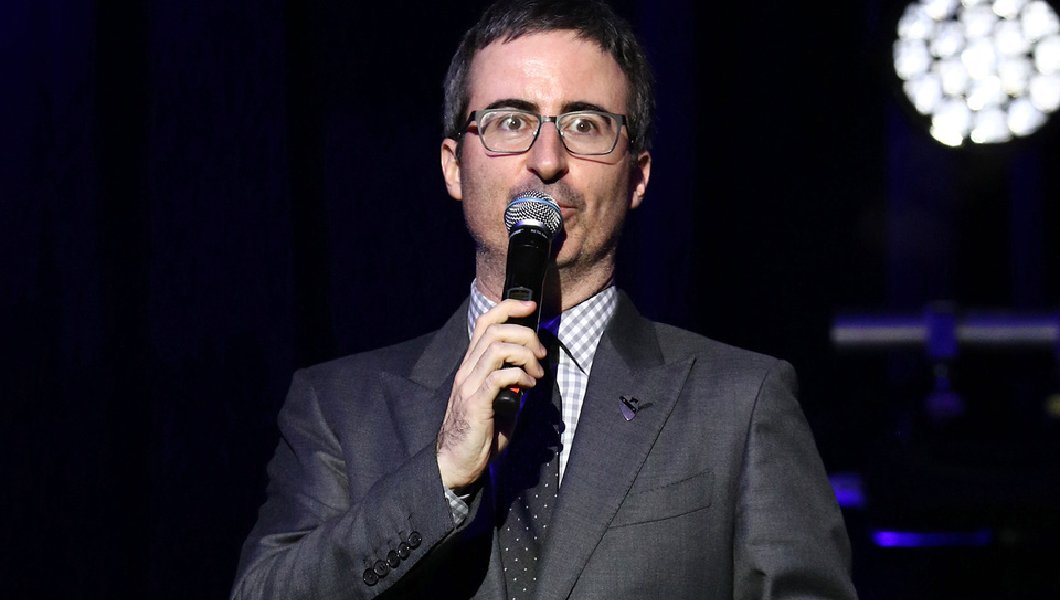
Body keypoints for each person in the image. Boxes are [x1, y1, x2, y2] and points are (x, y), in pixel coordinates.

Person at [231, 0, 858, 598]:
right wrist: (440, 476)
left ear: (638, 176)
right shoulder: (338, 409)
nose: (547, 159)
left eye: (585, 125)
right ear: (453, 165)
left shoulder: (741, 404)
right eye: (511, 121)